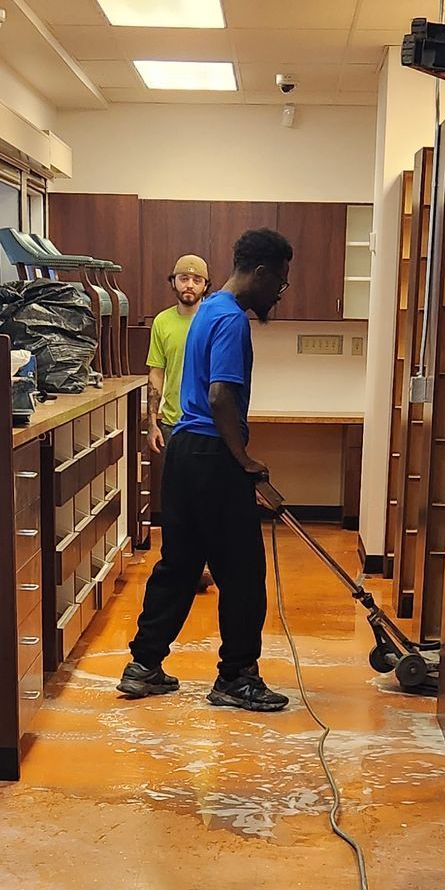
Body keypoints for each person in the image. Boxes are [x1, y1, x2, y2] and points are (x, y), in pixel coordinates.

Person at [118, 227, 293, 714]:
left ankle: (144, 665)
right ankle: (237, 676)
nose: (279, 291)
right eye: (278, 281)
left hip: (183, 451)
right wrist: (245, 461)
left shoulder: (208, 310)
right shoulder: (231, 319)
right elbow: (220, 395)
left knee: (179, 564)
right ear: (258, 272)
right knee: (241, 572)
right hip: (214, 455)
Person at [146, 252, 209, 461]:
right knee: (172, 492)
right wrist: (152, 423)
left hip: (207, 425)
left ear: (206, 286)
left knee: (206, 492)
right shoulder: (162, 322)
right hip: (172, 425)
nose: (190, 285)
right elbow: (156, 373)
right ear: (173, 282)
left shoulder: (215, 320)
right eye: (183, 279)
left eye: (197, 280)